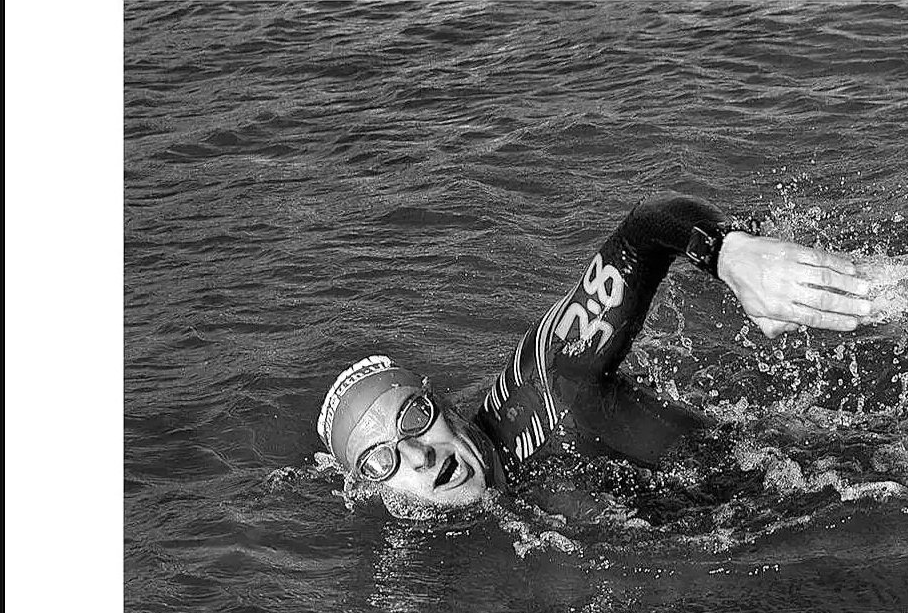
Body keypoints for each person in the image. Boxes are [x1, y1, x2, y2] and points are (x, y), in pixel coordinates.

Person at [315, 196, 873, 516]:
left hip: (840, 481)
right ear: (372, 490)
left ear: (442, 402)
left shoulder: (547, 383)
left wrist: (728, 253)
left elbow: (643, 231)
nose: (418, 457)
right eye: (379, 461)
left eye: (414, 418)